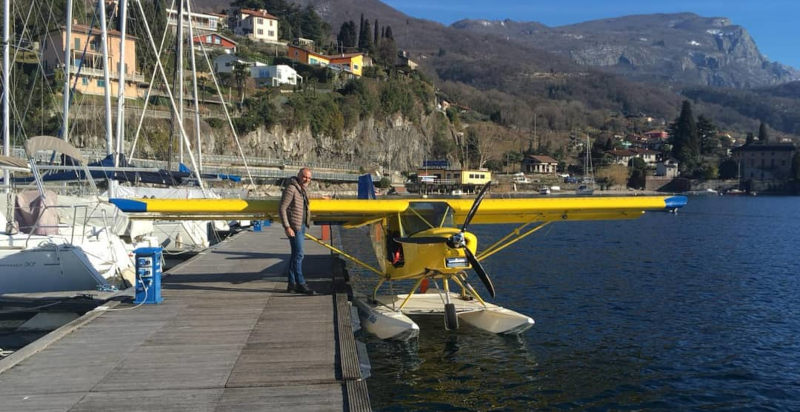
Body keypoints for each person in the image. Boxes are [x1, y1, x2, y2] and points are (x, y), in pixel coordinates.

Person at [279, 167, 316, 295]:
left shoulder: (302, 189)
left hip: (302, 226)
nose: (307, 179)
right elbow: (282, 208)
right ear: (299, 175)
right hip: (295, 227)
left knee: (295, 255)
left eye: (309, 178)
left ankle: (291, 284)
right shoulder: (292, 188)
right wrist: (287, 227)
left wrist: (323, 197)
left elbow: (307, 200)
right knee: (299, 255)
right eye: (305, 176)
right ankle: (301, 283)